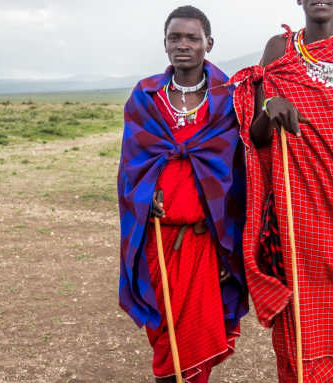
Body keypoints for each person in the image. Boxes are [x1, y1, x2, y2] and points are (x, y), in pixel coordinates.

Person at [229, 0, 333, 381]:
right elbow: (255, 136)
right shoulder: (279, 50)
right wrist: (270, 108)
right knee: (298, 332)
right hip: (295, 211)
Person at [117, 6, 247, 383]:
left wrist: (228, 247)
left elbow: (238, 175)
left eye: (192, 37)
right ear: (165, 44)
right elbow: (132, 166)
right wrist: (146, 195)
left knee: (195, 344)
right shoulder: (146, 96)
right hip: (157, 239)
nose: (183, 45)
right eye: (175, 37)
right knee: (164, 338)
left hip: (207, 242)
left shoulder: (228, 99)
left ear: (209, 43)